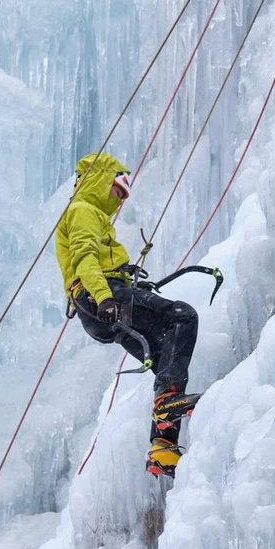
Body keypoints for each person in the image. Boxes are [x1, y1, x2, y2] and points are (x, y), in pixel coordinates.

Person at [56, 152, 199, 477]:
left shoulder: (92, 214)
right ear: (99, 182)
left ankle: (162, 448)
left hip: (99, 306)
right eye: (117, 190)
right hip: (100, 296)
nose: (120, 199)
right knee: (183, 316)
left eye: (123, 195)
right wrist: (105, 296)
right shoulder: (82, 209)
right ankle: (166, 407)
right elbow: (84, 258)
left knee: (166, 358)